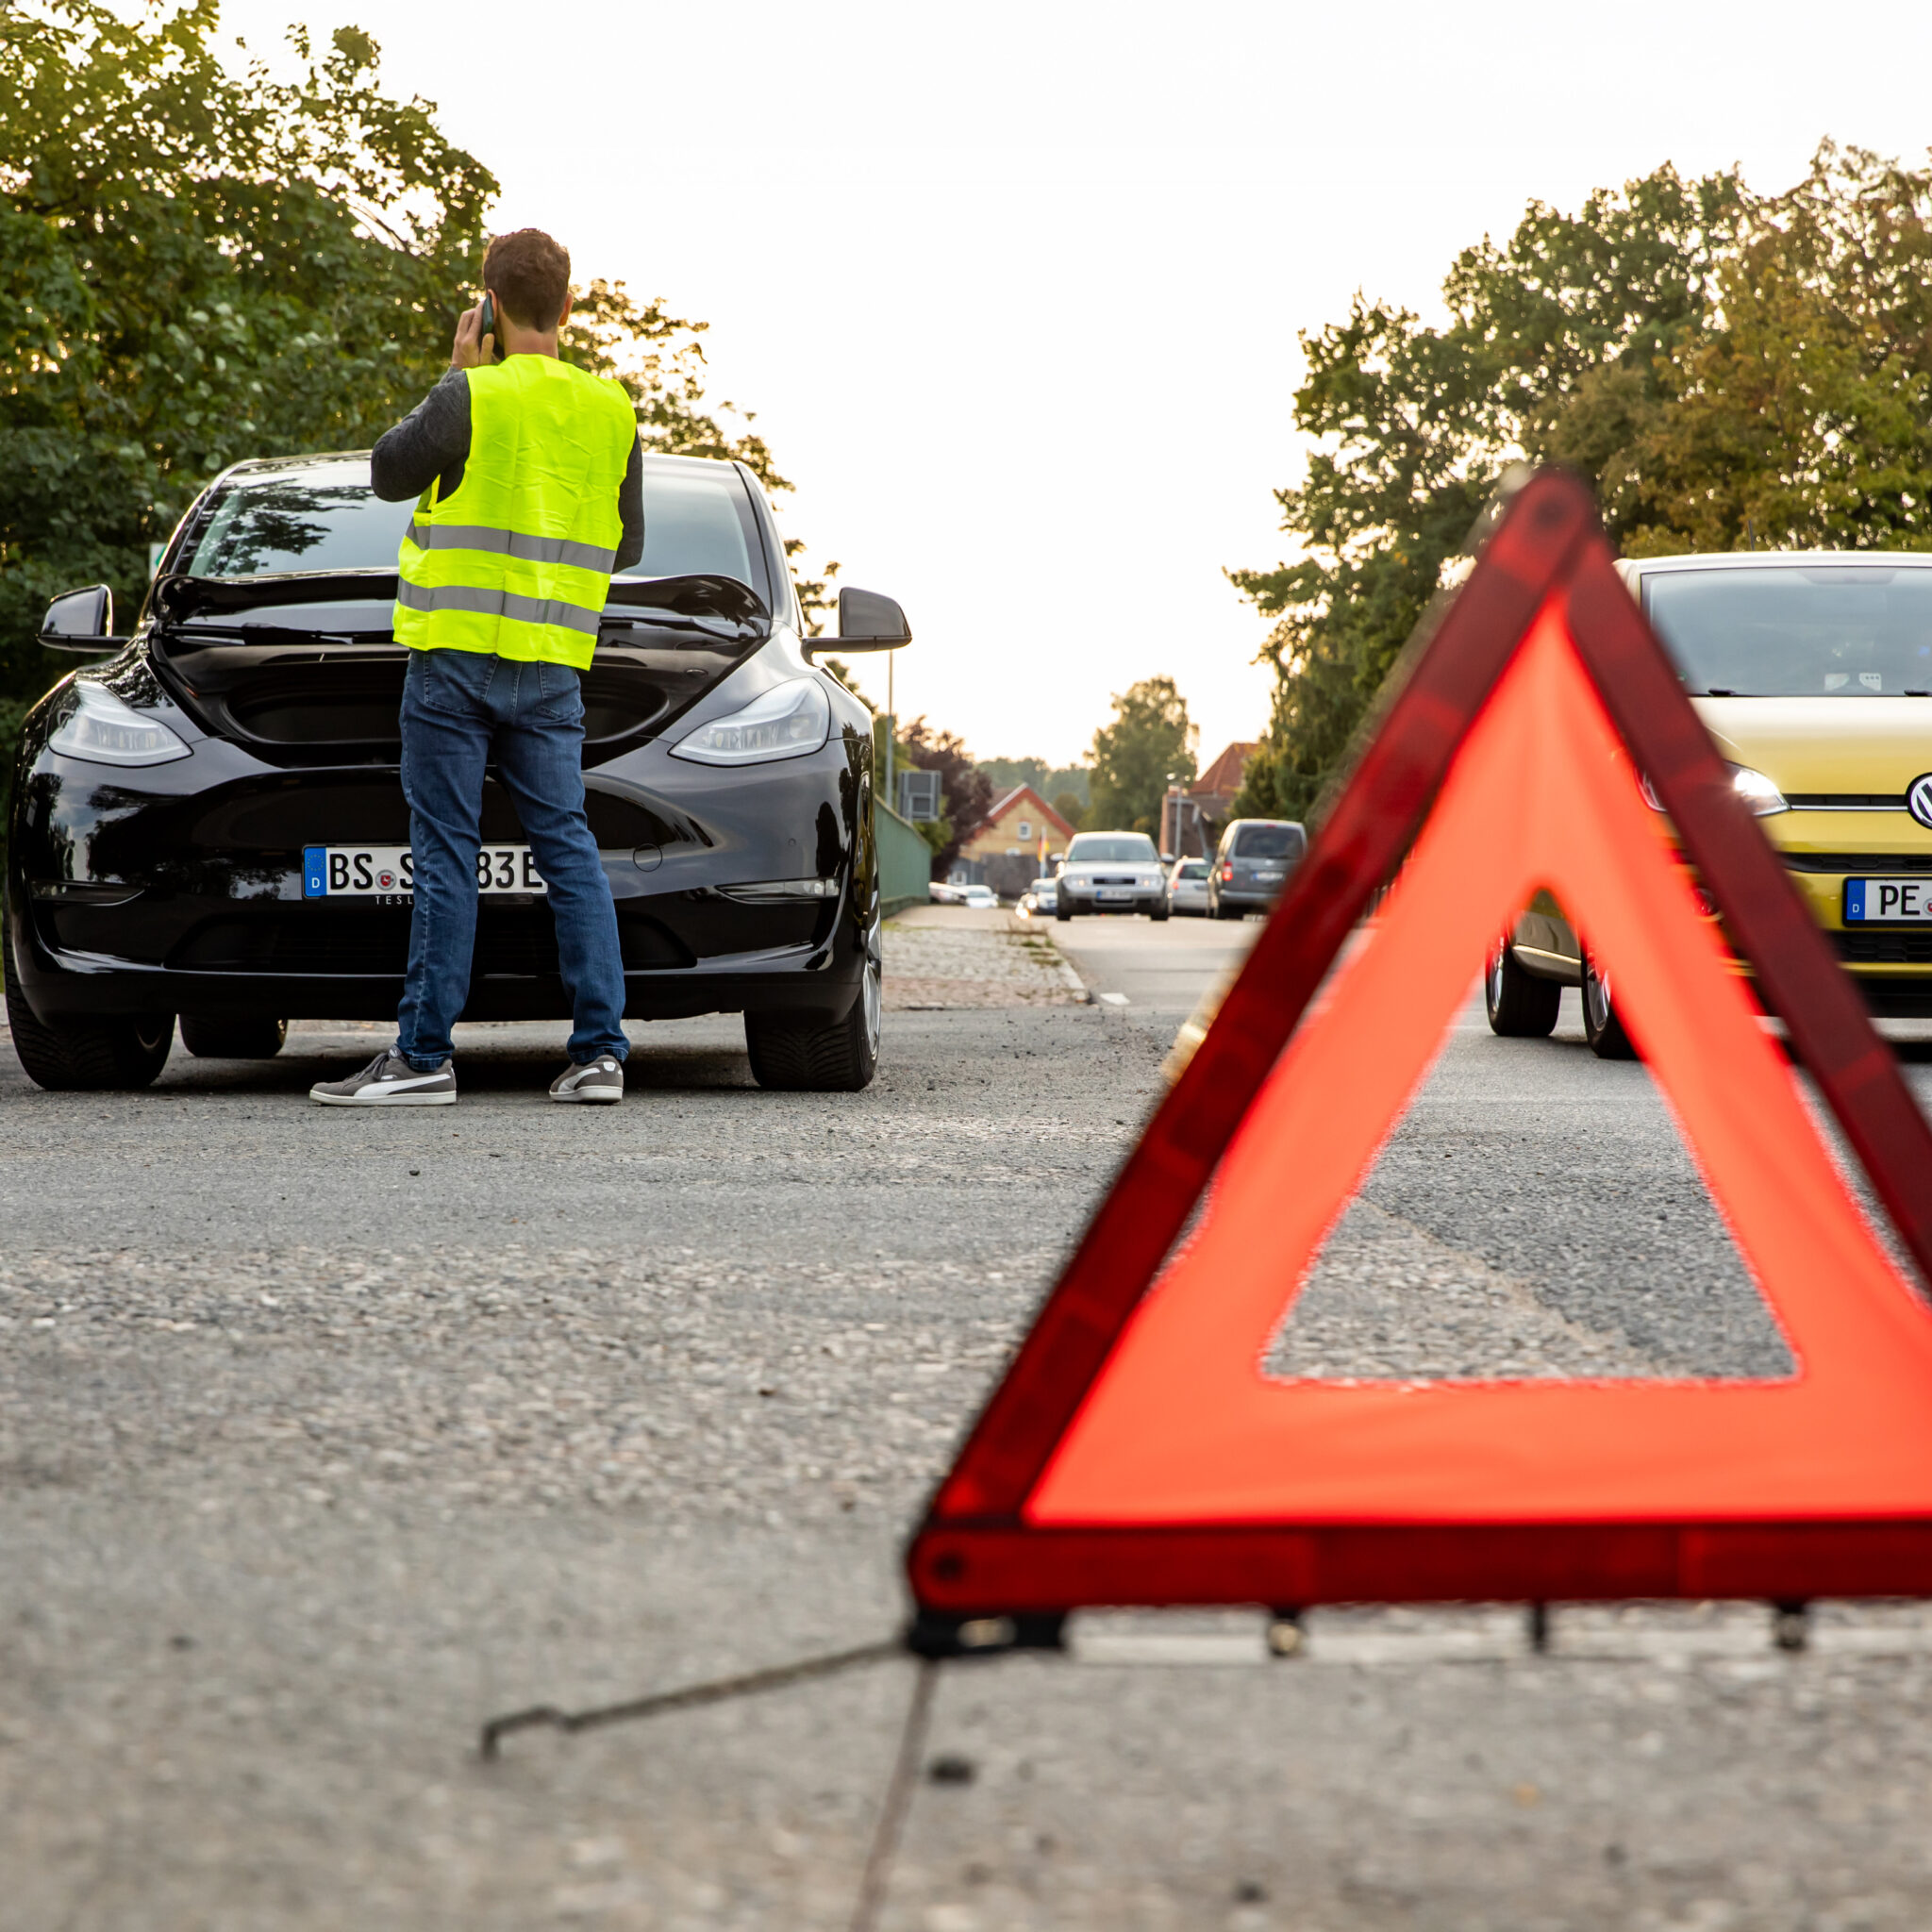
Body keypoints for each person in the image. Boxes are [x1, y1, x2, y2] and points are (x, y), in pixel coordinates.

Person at [310, 228, 643, 1108]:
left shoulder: (472, 394)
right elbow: (628, 543)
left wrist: (456, 374)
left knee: (447, 852)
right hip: (552, 666)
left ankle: (423, 1058)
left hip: (454, 660)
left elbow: (388, 472)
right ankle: (600, 1055)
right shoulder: (613, 410)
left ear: (489, 305)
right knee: (568, 847)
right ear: (567, 306)